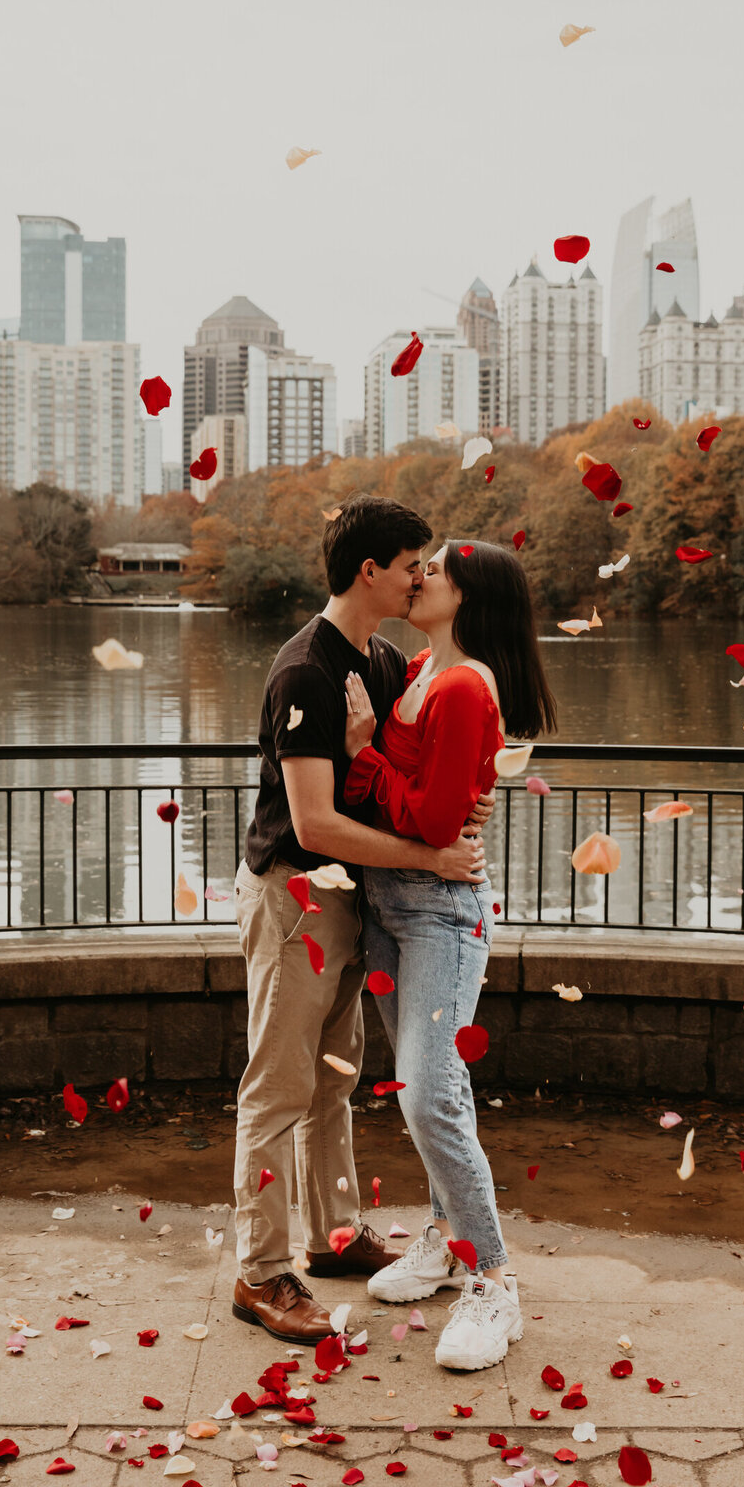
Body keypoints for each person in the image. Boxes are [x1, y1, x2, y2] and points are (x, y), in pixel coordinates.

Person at [231, 496, 492, 1348]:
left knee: (335, 1077)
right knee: (278, 1086)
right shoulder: (305, 668)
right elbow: (312, 824)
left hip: (356, 901)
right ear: (370, 570)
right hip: (296, 896)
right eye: (412, 563)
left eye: (429, 565)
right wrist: (433, 859)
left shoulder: (380, 659)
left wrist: (466, 807)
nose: (422, 575)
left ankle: (331, 1236)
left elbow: (408, 776)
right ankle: (262, 1272)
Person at [342, 537, 557, 1373]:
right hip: (386, 908)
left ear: (467, 597)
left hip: (438, 912)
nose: (419, 574)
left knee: (433, 1093)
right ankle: (441, 1239)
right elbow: (402, 801)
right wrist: (373, 761)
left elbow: (432, 824)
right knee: (418, 1088)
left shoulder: (465, 685)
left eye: (436, 569)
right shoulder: (418, 670)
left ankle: (494, 1280)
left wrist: (364, 753)